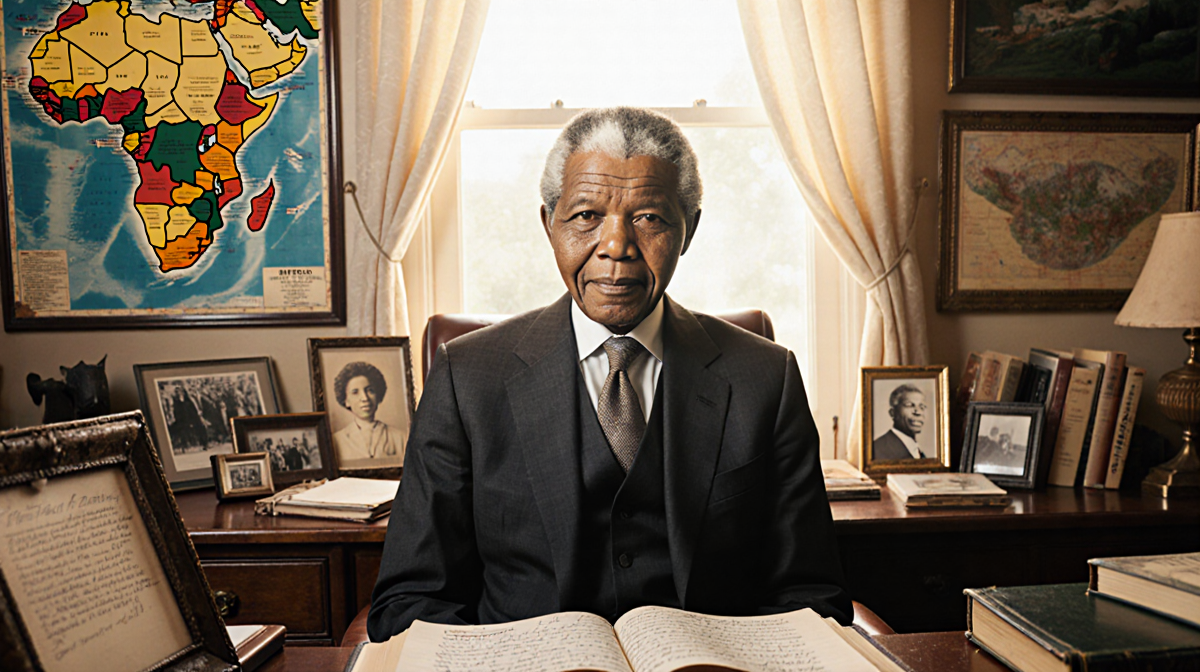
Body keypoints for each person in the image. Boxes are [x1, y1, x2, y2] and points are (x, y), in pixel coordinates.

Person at [368, 107, 850, 640]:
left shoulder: (766, 377)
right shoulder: (466, 376)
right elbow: (411, 601)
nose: (616, 246)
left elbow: (812, 598)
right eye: (585, 217)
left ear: (688, 229)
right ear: (549, 224)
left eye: (649, 218)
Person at [331, 362, 406, 465]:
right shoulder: (336, 441)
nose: (365, 398)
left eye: (370, 390)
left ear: (378, 395)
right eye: (355, 392)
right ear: (346, 401)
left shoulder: (400, 437)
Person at [873, 384, 928, 460]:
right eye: (909, 405)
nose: (918, 412)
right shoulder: (877, 449)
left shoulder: (917, 451)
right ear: (892, 413)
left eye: (922, 407)